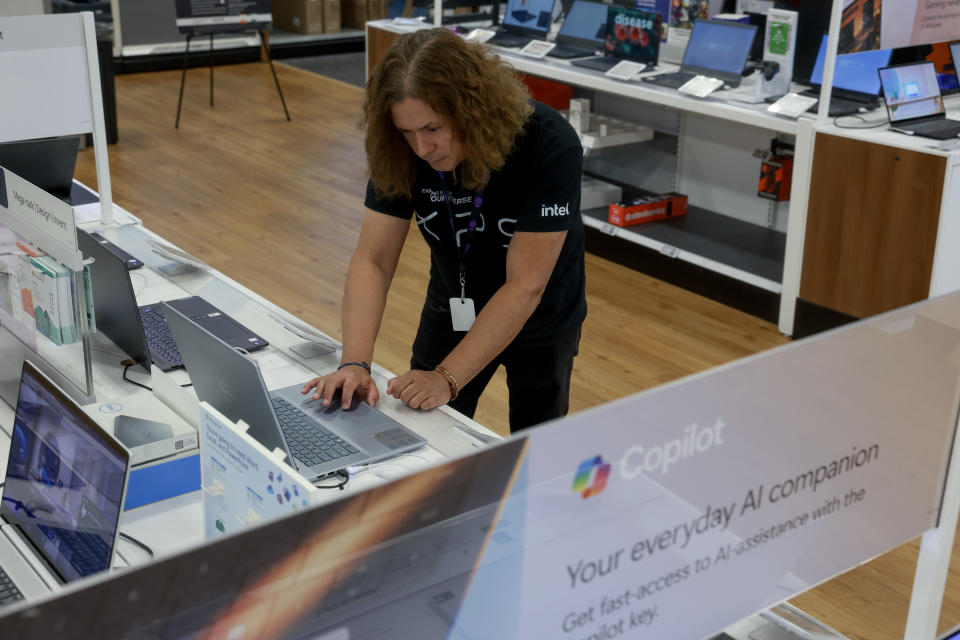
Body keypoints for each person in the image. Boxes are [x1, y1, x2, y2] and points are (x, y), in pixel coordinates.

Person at [302, 27, 586, 433]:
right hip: (455, 302)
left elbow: (525, 286)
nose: (421, 149)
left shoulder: (548, 143)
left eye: (433, 129)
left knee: (535, 441)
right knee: (426, 430)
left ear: (475, 109)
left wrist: (447, 377)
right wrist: (354, 362)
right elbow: (374, 259)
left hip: (541, 314)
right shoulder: (399, 151)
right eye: (406, 132)